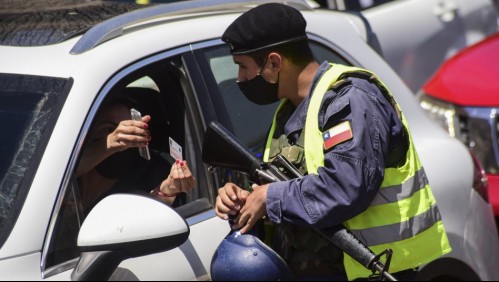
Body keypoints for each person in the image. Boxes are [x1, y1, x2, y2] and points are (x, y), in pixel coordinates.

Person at [213, 3, 451, 281]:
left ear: (275, 63)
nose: (239, 79)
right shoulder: (289, 111)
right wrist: (243, 196)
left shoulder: (349, 98)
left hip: (370, 272)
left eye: (243, 68)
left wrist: (269, 197)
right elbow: (289, 182)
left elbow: (347, 185)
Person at [77, 94, 196, 212]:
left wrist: (169, 188)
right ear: (87, 136)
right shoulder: (68, 176)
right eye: (108, 129)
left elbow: (143, 210)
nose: (122, 139)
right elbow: (65, 169)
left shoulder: (133, 187)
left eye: (132, 132)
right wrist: (108, 144)